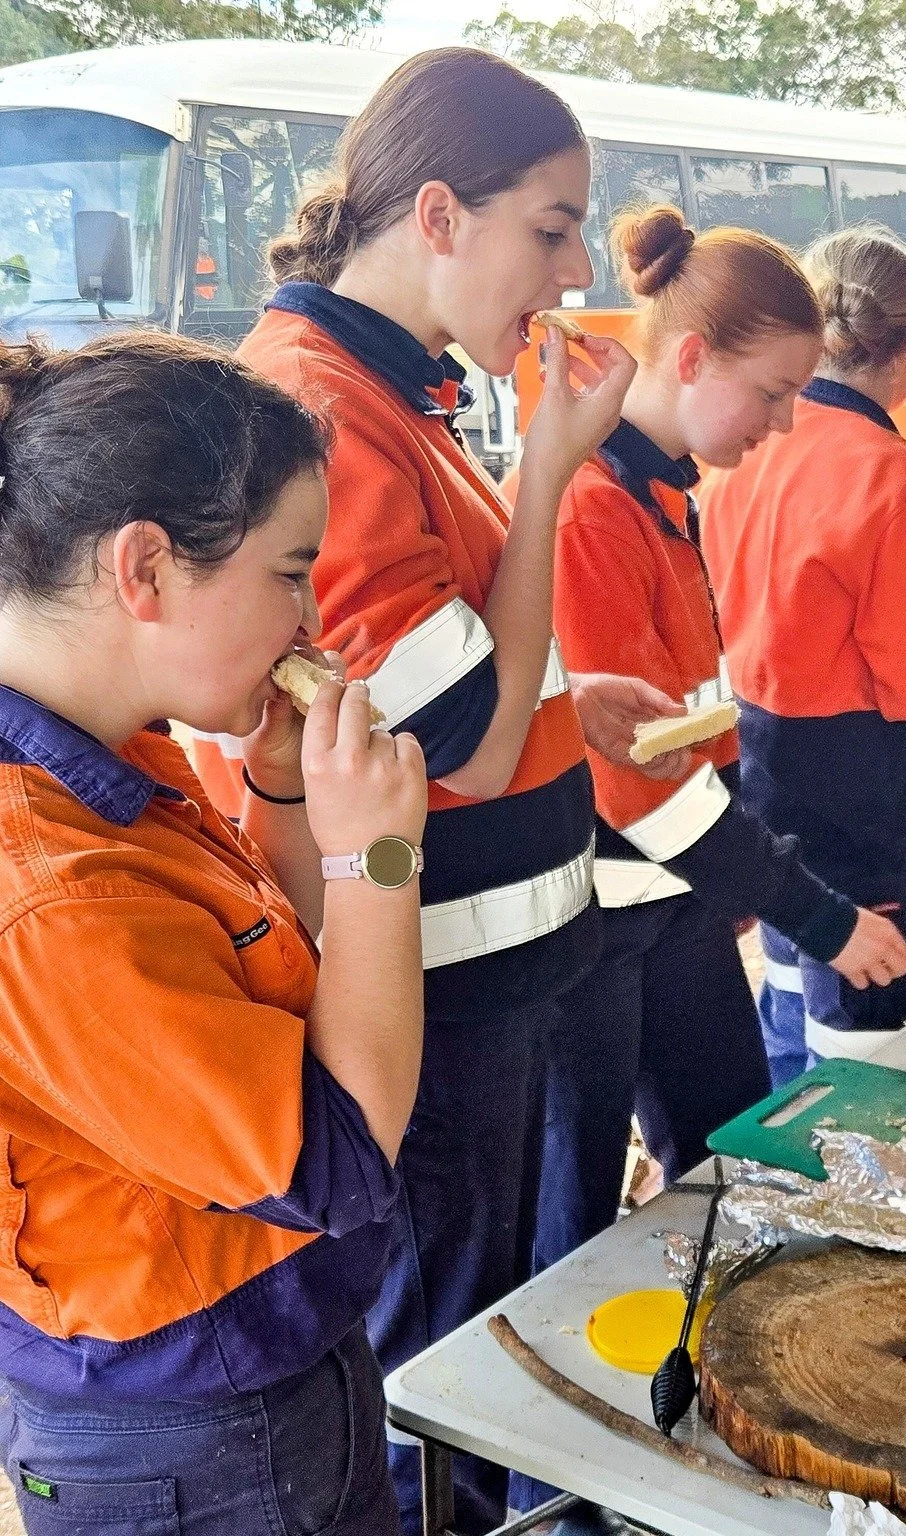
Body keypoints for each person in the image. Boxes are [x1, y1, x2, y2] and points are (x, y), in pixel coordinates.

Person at [225, 49, 650, 1533]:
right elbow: (465, 735)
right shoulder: (319, 405)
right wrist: (547, 477)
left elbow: (480, 681)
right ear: (436, 211)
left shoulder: (394, 394)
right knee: (439, 1366)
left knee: (483, 1331)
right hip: (447, 978)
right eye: (552, 224)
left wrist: (558, 697)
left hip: (500, 964)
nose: (577, 268)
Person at [0, 332, 427, 1533]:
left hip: (265, 1365)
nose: (308, 619)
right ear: (145, 568)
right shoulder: (49, 889)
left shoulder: (105, 748)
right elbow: (341, 1156)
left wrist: (289, 799)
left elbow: (277, 984)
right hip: (192, 1439)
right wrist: (380, 858)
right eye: (292, 572)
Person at [538, 206, 906, 1265]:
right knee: (575, 1217)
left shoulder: (668, 498)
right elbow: (638, 781)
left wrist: (754, 884)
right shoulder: (592, 510)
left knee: (732, 1159)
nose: (788, 422)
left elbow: (701, 723)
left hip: (679, 910)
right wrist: (816, 913)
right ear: (692, 358)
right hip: (600, 926)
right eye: (777, 392)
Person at [701, 226, 906, 1086]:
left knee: (791, 1013)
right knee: (873, 1056)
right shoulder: (892, 477)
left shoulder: (743, 450)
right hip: (867, 801)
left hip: (760, 774)